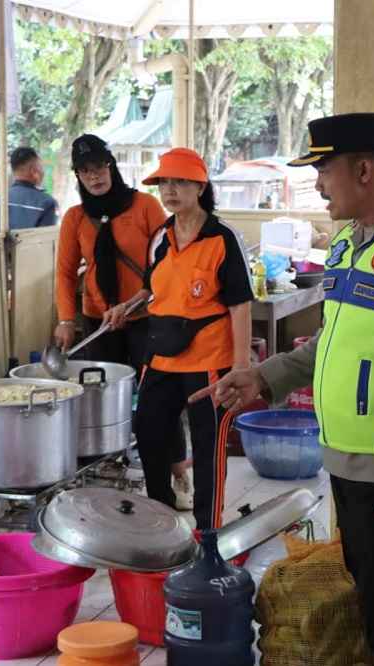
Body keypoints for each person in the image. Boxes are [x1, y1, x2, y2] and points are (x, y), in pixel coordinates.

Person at [190, 112, 374, 666]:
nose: (316, 184)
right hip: (345, 459)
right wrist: (263, 376)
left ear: (364, 169)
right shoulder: (349, 244)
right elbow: (332, 344)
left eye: (324, 170)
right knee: (372, 599)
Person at [106, 148, 253, 528]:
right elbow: (153, 288)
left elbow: (240, 306)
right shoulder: (162, 238)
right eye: (163, 183)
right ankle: (160, 523)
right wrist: (128, 305)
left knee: (209, 448)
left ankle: (208, 533)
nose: (169, 190)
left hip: (209, 362)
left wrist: (240, 368)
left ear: (200, 186)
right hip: (161, 357)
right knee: (150, 434)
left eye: (180, 181)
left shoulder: (222, 238)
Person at [54, 134, 167, 374]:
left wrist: (133, 302)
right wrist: (66, 320)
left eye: (99, 167)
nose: (93, 176)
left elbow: (166, 262)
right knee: (102, 390)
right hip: (98, 320)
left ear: (111, 166)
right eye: (85, 171)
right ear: (78, 176)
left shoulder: (146, 206)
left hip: (145, 315)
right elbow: (65, 273)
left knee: (150, 389)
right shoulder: (75, 217)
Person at [0, 147, 58, 234]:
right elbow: (46, 243)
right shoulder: (46, 203)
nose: (43, 172)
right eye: (41, 167)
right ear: (34, 171)